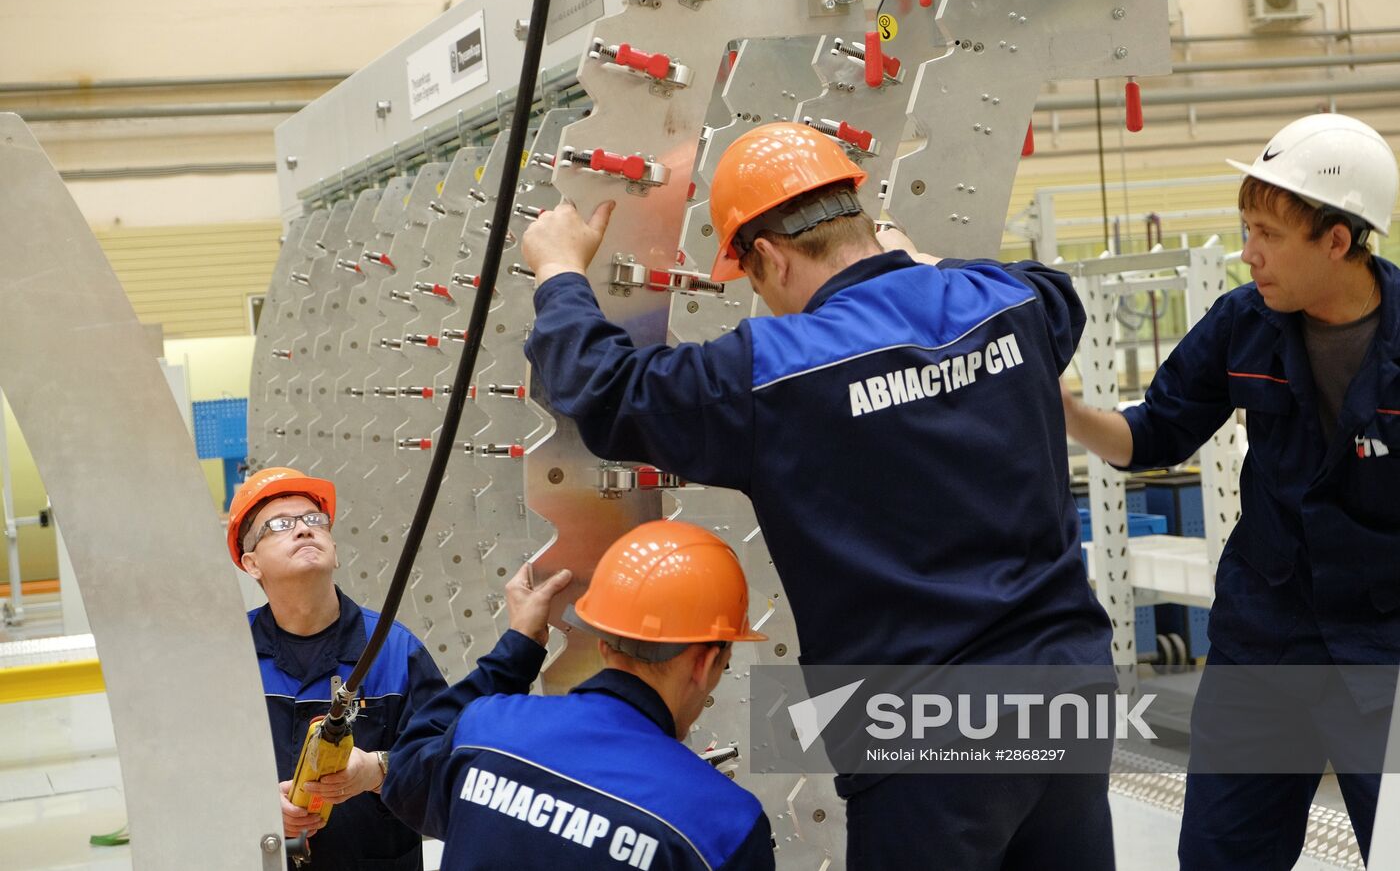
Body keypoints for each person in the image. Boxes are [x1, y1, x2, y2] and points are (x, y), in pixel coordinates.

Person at [517, 121, 1116, 870]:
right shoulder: (1005, 300)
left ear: (765, 256)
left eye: (757, 284)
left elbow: (609, 393)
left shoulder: (776, 369)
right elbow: (1058, 298)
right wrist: (909, 260)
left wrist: (559, 270)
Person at [1060, 112, 1400, 868]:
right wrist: (1069, 414)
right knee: (1221, 854)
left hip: (1384, 651)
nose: (1249, 255)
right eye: (1245, 230)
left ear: (1337, 240)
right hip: (1264, 644)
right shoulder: (1243, 322)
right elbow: (1154, 433)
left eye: (1268, 236)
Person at [381, 520, 775, 870]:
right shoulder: (725, 827)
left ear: (603, 643)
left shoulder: (484, 731)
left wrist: (516, 651)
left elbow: (404, 776)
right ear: (706, 663)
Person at [228, 467, 447, 869]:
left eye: (315, 521)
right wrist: (257, 805)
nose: (304, 530)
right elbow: (193, 771)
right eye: (279, 525)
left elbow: (447, 763)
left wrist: (376, 770)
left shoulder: (394, 651)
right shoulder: (229, 656)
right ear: (251, 563)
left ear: (335, 548)